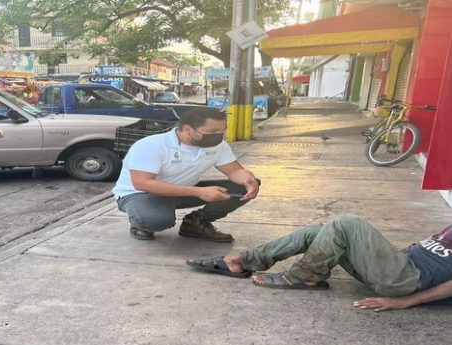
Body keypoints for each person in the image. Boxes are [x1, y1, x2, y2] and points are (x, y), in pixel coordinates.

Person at [187, 214, 452, 311]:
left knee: (346, 223)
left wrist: (406, 301)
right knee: (321, 231)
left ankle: (302, 275)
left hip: (409, 280)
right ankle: (243, 261)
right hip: (401, 266)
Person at [113, 109, 260, 241]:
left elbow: (234, 170)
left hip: (183, 190)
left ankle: (196, 222)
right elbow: (142, 183)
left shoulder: (218, 146)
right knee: (157, 220)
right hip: (140, 194)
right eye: (213, 131)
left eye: (223, 130)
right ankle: (141, 224)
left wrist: (248, 179)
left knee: (242, 188)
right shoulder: (152, 145)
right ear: (187, 129)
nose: (219, 135)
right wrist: (198, 192)